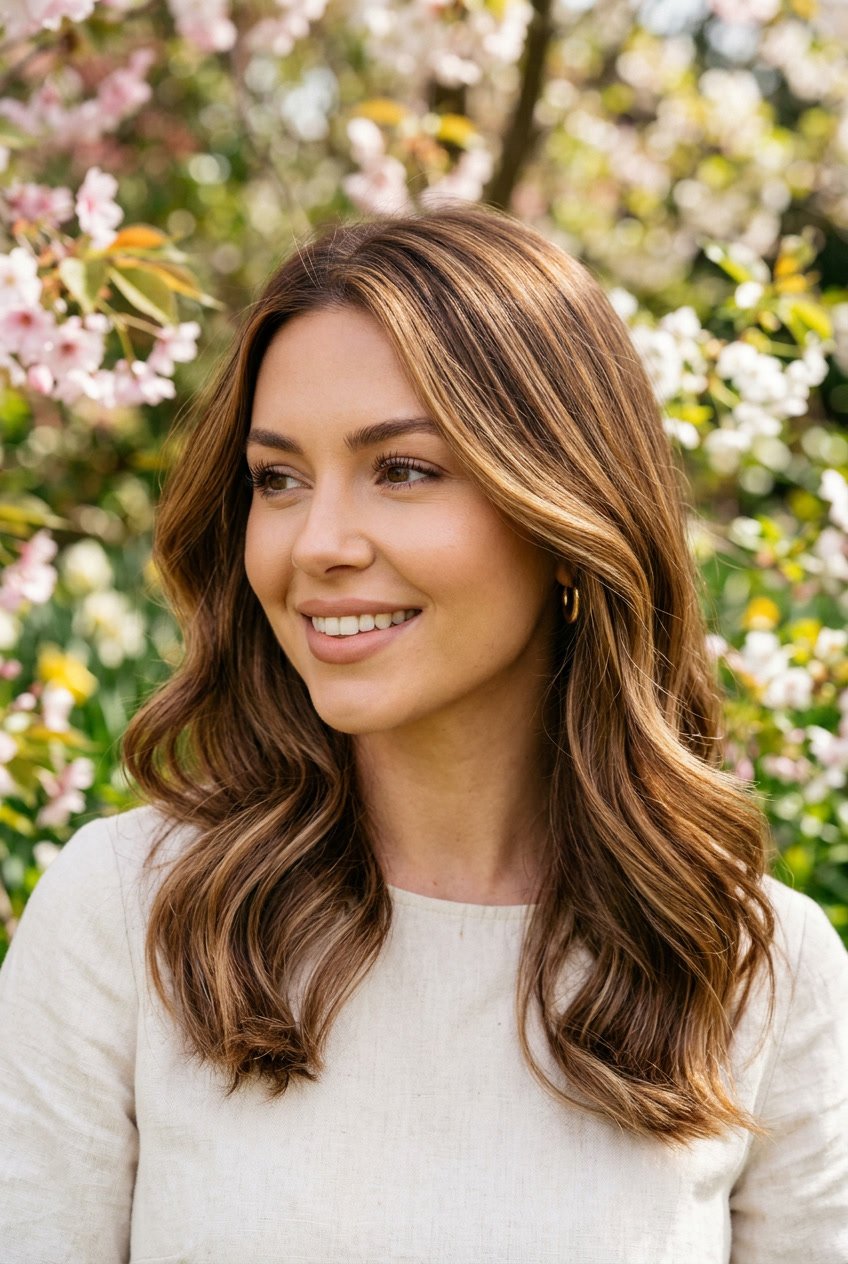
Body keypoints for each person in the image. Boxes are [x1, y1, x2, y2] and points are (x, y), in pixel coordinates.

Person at [0, 204, 846, 1264]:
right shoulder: (127, 918)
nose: (317, 544)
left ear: (567, 515)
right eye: (277, 479)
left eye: (401, 469)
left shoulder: (755, 970)